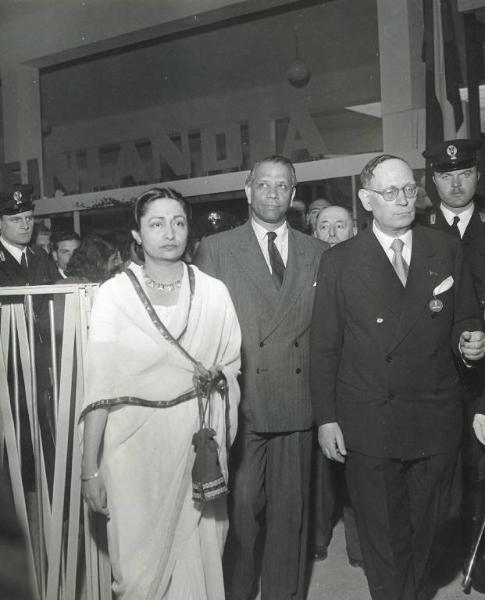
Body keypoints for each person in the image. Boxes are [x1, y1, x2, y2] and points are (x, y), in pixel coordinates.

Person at [310, 153, 485, 600]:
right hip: (371, 418)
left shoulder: (443, 248)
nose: (404, 199)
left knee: (435, 524)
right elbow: (325, 346)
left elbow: (464, 315)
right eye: (391, 192)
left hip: (434, 414)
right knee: (383, 537)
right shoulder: (340, 262)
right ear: (367, 200)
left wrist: (470, 340)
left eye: (409, 188)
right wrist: (327, 417)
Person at [79, 187, 241, 600]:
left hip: (197, 442)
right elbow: (99, 386)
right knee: (135, 573)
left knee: (200, 555)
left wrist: (215, 383)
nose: (169, 232)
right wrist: (89, 468)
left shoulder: (213, 292)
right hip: (133, 449)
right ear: (136, 234)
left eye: (179, 222)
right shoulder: (114, 295)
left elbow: (232, 367)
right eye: (156, 223)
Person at [194, 155, 327, 600]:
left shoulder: (318, 252)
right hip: (243, 401)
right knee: (243, 512)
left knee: (292, 517)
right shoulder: (216, 248)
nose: (272, 193)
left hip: (297, 399)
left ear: (293, 194)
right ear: (247, 190)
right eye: (263, 185)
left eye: (282, 185)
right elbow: (203, 329)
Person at [422, 138, 485, 590]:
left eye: (464, 173)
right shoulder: (417, 233)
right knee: (440, 473)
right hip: (435, 376)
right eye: (446, 175)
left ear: (477, 175)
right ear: (433, 181)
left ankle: (478, 565)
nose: (456, 183)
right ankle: (442, 561)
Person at [310, 203, 362, 568]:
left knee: (356, 468)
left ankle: (359, 547)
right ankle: (317, 537)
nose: (331, 232)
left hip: (356, 383)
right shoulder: (304, 270)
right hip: (313, 381)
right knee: (317, 470)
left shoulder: (365, 267)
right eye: (324, 226)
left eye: (339, 225)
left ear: (353, 231)